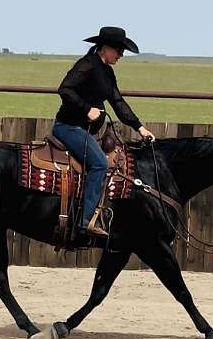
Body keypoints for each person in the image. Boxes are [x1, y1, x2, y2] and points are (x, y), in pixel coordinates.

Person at [53, 26, 156, 237]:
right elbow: (65, 88)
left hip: (84, 131)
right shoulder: (87, 65)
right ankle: (85, 222)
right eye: (118, 50)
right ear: (105, 48)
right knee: (100, 163)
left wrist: (140, 127)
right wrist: (86, 108)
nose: (121, 55)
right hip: (69, 128)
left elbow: (118, 102)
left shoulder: (107, 72)